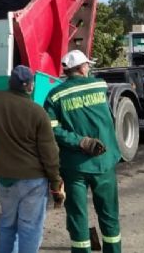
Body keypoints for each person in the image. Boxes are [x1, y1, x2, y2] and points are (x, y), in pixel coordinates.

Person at [0, 65, 64, 253]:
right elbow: (49, 153)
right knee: (29, 228)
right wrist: (56, 181)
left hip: (4, 178)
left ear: (10, 82)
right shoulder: (37, 112)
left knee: (7, 224)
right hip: (33, 181)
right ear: (30, 87)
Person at [44, 50, 121, 253]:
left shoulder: (54, 95)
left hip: (74, 166)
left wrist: (80, 141)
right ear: (82, 68)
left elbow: (52, 130)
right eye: (87, 65)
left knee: (77, 215)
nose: (89, 67)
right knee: (109, 214)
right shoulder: (100, 85)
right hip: (103, 162)